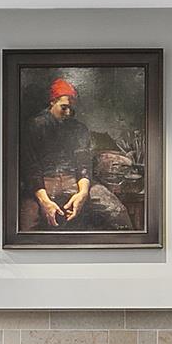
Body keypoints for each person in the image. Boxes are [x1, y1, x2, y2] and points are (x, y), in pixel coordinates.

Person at [19, 77, 130, 231]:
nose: (68, 113)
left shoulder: (79, 129)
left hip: (75, 183)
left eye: (71, 109)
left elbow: (84, 165)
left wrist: (83, 193)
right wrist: (44, 201)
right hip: (42, 186)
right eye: (64, 107)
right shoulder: (34, 126)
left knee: (117, 211)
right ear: (52, 102)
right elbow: (31, 169)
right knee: (26, 223)